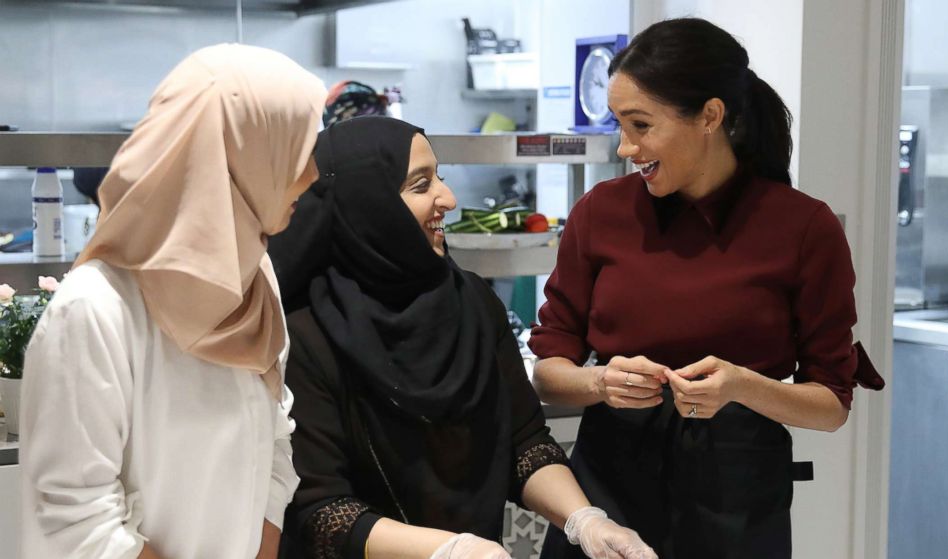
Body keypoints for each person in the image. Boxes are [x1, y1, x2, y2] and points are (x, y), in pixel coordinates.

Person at [528, 18, 886, 558]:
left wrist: (742, 386)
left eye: (641, 125)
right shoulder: (601, 213)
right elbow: (548, 375)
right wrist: (601, 382)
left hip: (737, 509)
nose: (626, 147)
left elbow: (831, 404)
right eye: (620, 125)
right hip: (606, 502)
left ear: (710, 117)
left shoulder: (803, 228)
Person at [267, 116, 656, 559]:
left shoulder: (471, 301)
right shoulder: (303, 333)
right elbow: (319, 510)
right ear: (366, 203)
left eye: (441, 177)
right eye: (420, 185)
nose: (448, 199)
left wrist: (584, 519)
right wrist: (447, 551)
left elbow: (523, 444)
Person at [19, 44, 326, 559]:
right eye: (293, 149)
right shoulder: (95, 309)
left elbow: (275, 441)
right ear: (234, 156)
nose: (313, 173)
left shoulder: (254, 280)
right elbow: (76, 519)